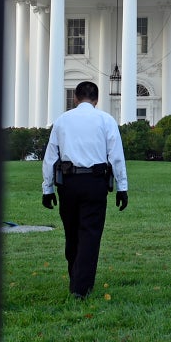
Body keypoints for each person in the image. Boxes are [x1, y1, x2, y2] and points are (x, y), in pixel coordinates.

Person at [41, 81, 128, 299]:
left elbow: (50, 157)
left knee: (72, 233)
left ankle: (76, 278)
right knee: (90, 234)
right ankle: (81, 287)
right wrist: (122, 188)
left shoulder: (62, 121)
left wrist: (47, 189)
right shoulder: (106, 120)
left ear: (75, 98)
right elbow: (116, 157)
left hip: (68, 183)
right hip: (95, 182)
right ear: (96, 100)